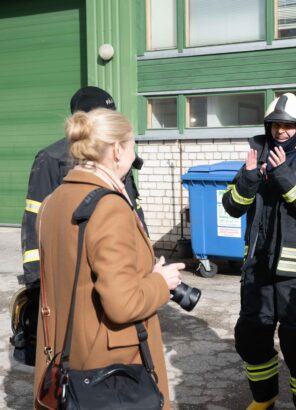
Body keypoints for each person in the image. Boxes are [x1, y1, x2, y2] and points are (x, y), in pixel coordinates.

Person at [33, 108, 183, 410]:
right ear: (117, 150)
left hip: (65, 356)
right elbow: (122, 304)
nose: (133, 152)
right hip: (111, 372)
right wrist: (159, 282)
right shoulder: (109, 207)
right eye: (131, 144)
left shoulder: (52, 202)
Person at [15, 86, 146, 366]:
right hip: (73, 276)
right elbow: (34, 223)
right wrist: (37, 284)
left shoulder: (115, 157)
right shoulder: (50, 159)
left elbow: (133, 208)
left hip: (117, 274)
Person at [222, 93, 296, 410]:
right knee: (251, 338)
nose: (281, 132)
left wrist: (283, 174)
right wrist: (248, 179)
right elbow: (232, 207)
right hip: (257, 270)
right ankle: (263, 399)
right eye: (275, 126)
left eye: (288, 126)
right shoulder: (255, 158)